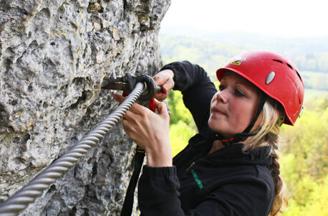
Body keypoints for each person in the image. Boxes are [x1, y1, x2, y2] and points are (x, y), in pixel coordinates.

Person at [114, 51, 304, 216]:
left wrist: (158, 150)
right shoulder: (218, 133)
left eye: (239, 93)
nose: (220, 95)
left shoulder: (252, 189)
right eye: (222, 87)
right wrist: (169, 75)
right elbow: (197, 78)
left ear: (266, 116)